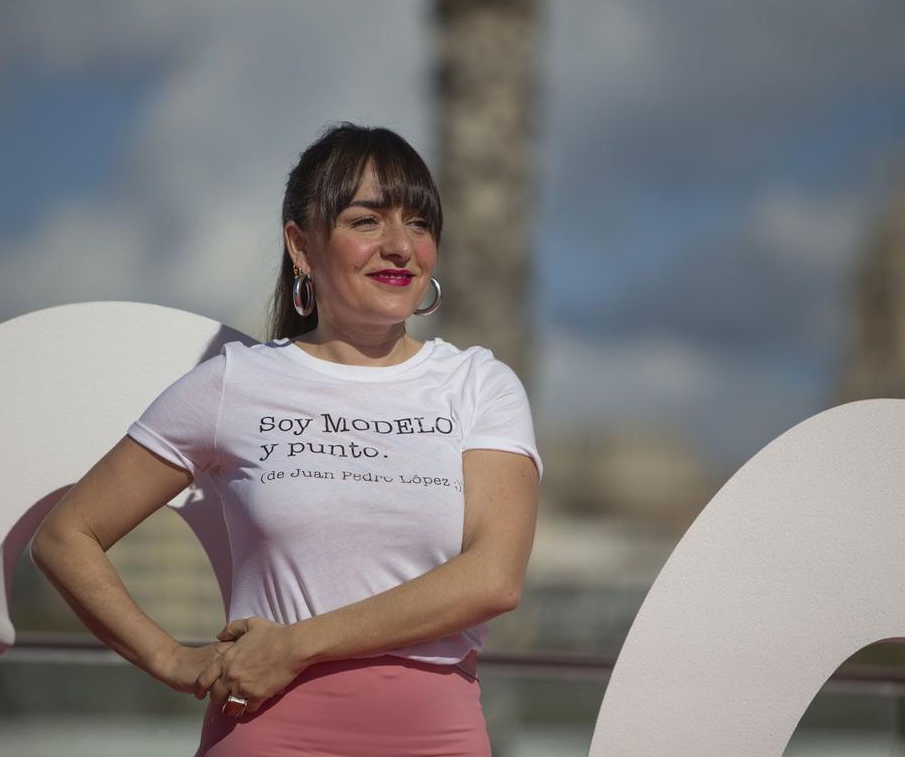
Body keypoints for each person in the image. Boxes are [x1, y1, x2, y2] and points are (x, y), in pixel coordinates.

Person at [30, 122, 542, 756]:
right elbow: (64, 537)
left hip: (436, 736)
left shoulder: (478, 385)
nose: (400, 246)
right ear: (301, 247)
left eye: (419, 223)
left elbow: (494, 580)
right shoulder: (232, 384)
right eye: (366, 221)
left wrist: (295, 644)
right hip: (266, 732)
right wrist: (171, 659)